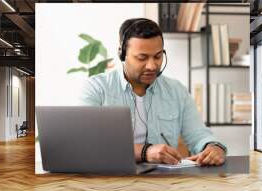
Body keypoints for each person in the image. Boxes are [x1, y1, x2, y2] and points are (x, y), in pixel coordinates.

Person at [79, 18, 227, 166]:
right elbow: (86, 142)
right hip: (110, 179)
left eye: (158, 56)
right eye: (142, 57)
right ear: (122, 54)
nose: (151, 66)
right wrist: (145, 152)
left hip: (162, 183)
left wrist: (214, 147)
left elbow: (199, 135)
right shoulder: (97, 88)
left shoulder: (176, 91)